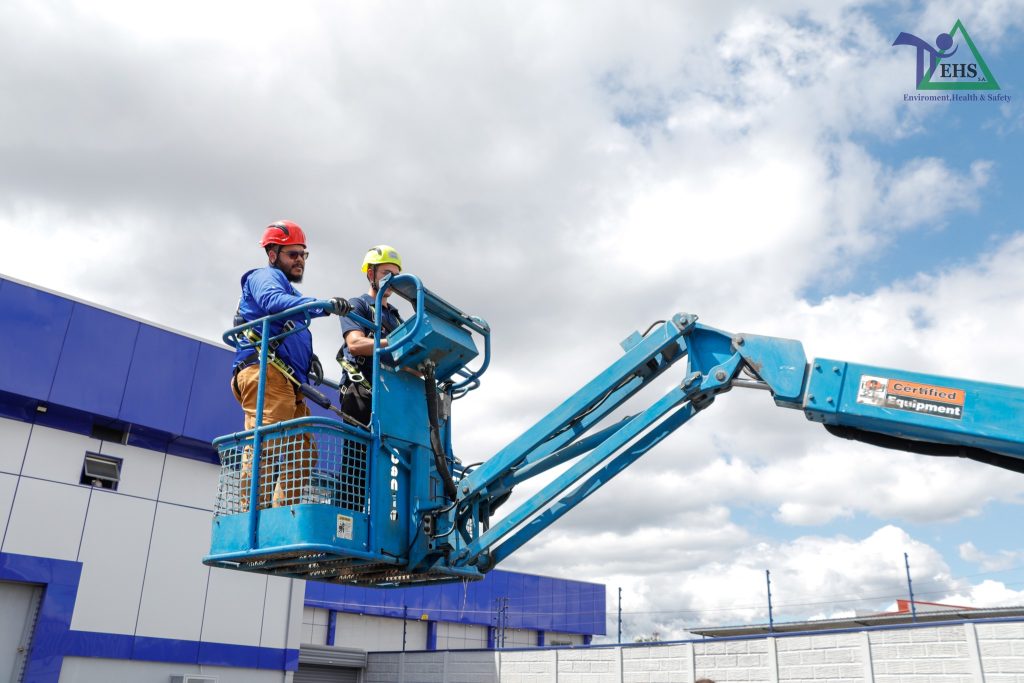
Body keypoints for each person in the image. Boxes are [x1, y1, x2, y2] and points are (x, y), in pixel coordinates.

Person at [231, 220, 347, 510]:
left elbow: (288, 314)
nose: (300, 261)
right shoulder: (262, 277)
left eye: (303, 255)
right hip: (265, 373)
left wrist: (307, 358)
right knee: (266, 447)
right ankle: (252, 518)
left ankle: (281, 516)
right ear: (273, 255)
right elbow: (272, 302)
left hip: (288, 380)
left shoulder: (291, 294)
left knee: (303, 452)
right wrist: (324, 304)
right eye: (292, 254)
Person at [337, 245, 405, 426]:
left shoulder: (397, 319)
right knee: (358, 454)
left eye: (396, 276)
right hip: (360, 391)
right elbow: (355, 344)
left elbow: (408, 362)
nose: (392, 280)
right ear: (370, 274)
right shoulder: (358, 305)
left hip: (390, 395)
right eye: (386, 273)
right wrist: (394, 341)